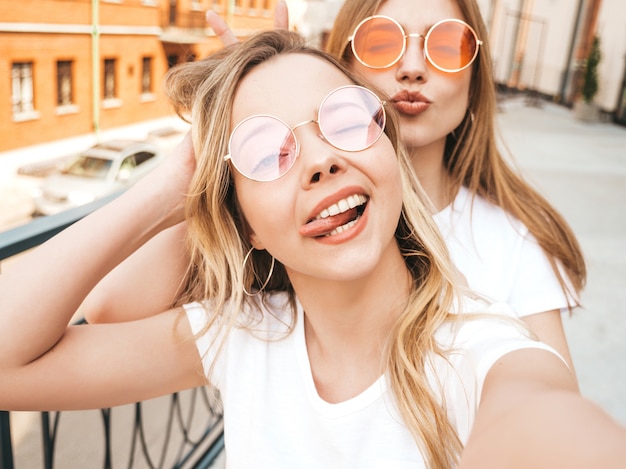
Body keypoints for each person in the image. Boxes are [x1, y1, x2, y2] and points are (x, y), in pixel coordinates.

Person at [2, 30, 624, 468]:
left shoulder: (480, 350)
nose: (322, 158)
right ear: (243, 222)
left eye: (346, 119)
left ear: (390, 158)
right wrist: (161, 191)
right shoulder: (242, 337)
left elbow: (544, 421)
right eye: (264, 151)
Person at [82, 0, 584, 375]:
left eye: (446, 45)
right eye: (381, 42)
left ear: (476, 78)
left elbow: (557, 425)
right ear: (344, 68)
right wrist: (249, 112)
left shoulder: (514, 245)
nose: (412, 67)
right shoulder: (292, 223)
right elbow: (109, 309)